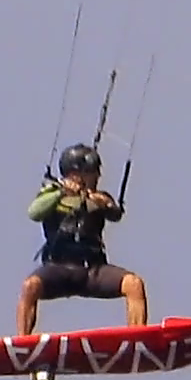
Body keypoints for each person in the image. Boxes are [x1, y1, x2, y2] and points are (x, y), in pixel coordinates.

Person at [16, 142, 148, 336]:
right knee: (30, 286)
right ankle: (23, 343)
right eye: (92, 172)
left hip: (92, 270)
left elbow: (115, 214)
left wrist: (105, 203)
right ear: (76, 174)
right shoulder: (52, 193)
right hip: (59, 268)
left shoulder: (99, 198)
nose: (98, 176)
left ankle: (138, 338)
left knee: (133, 284)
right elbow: (34, 212)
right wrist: (62, 191)